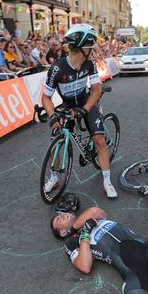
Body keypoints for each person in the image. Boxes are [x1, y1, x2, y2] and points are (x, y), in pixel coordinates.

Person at [42, 24, 118, 199]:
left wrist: (84, 110)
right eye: (90, 48)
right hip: (67, 105)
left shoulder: (89, 64)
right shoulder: (57, 68)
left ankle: (107, 181)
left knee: (99, 141)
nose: (92, 51)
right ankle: (54, 178)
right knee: (55, 141)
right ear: (83, 48)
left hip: (86, 103)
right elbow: (46, 98)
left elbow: (97, 90)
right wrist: (53, 115)